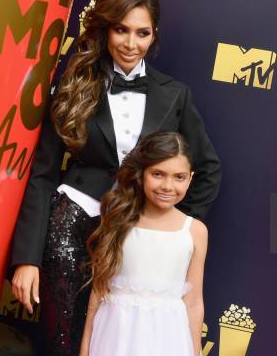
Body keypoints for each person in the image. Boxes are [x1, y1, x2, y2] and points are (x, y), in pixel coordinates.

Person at [9, 0, 221, 355]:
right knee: (63, 343)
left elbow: (207, 168)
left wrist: (166, 228)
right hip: (71, 227)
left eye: (142, 33)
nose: (130, 43)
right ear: (106, 28)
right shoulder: (74, 84)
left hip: (134, 242)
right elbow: (41, 175)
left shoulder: (175, 94)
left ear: (154, 36)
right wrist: (26, 258)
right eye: (121, 29)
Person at [80, 131, 207, 356]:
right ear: (142, 174)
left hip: (168, 338)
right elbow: (98, 292)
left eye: (179, 177)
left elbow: (194, 301)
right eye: (158, 174)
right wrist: (85, 348)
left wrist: (196, 350)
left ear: (190, 178)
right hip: (114, 334)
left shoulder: (195, 230)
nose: (168, 186)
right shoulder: (119, 221)